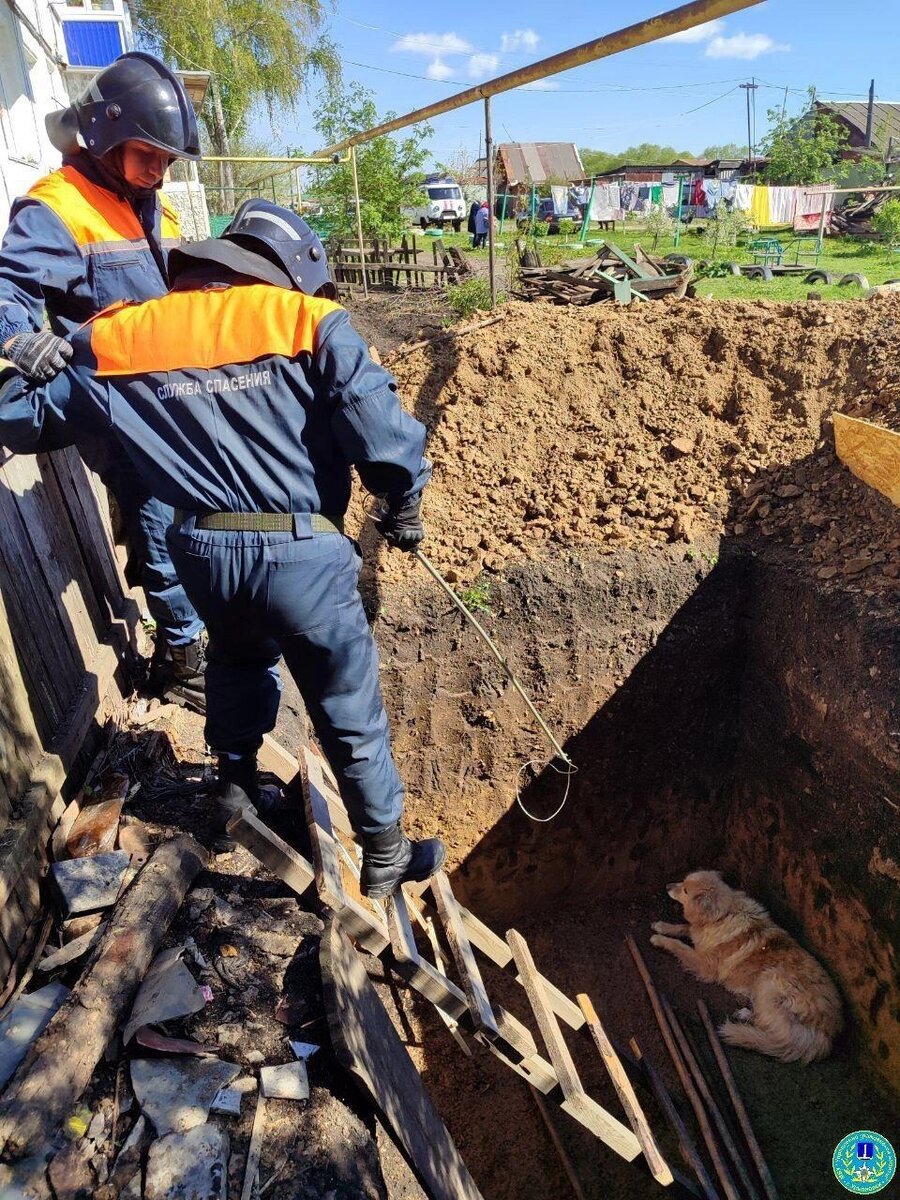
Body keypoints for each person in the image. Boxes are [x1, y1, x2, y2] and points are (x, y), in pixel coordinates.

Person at [0, 201, 446, 899]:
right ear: (289, 268)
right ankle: (386, 850)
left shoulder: (120, 332)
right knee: (344, 698)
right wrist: (403, 501)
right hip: (301, 554)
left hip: (202, 551)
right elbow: (380, 432)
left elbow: (21, 420)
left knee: (238, 658)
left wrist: (23, 353)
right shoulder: (306, 321)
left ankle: (235, 788)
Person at [0, 52, 207, 711]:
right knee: (154, 516)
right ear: (106, 137)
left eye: (169, 161)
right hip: (122, 404)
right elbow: (8, 284)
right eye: (149, 155)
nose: (160, 172)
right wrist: (16, 339)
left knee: (181, 518)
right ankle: (185, 655)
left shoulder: (151, 207)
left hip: (174, 398)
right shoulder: (58, 207)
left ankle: (191, 633)